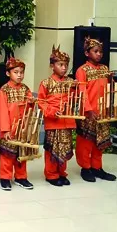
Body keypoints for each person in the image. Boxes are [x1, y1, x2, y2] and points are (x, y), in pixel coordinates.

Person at [75, 37, 116, 182]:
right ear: (87, 53)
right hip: (88, 112)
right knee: (86, 143)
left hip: (103, 112)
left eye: (100, 52)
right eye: (95, 51)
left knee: (101, 142)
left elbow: (110, 90)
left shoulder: (105, 69)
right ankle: (85, 168)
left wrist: (111, 107)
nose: (99, 54)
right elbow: (81, 91)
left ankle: (97, 167)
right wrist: (88, 109)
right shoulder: (82, 70)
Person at [37, 45, 76, 187]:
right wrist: (52, 111)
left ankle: (62, 172)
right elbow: (41, 102)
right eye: (60, 65)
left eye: (66, 65)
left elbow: (77, 98)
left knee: (64, 147)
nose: (64, 68)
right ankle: (51, 174)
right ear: (52, 66)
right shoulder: (46, 83)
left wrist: (76, 88)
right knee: (52, 149)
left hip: (67, 121)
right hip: (53, 121)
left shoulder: (70, 82)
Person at [0, 57, 35, 191]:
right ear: (8, 73)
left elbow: (30, 107)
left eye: (21, 72)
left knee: (21, 153)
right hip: (10, 128)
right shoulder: (4, 90)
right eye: (16, 72)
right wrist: (5, 130)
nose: (19, 75)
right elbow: (2, 111)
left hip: (23, 127)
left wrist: (32, 102)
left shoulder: (25, 89)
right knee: (7, 154)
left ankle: (21, 177)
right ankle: (5, 178)